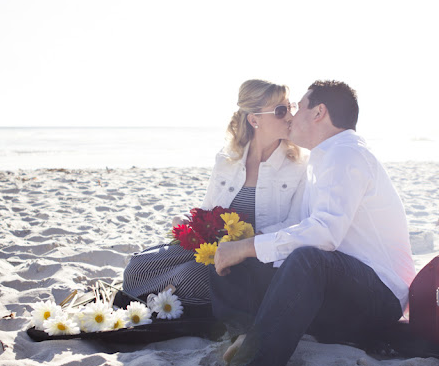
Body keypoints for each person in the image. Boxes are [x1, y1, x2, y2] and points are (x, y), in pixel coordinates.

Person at [209, 80, 416, 366]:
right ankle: (247, 333)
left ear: (319, 112)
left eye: (298, 107)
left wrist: (248, 246)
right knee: (236, 258)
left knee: (307, 258)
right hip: (338, 293)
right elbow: (299, 224)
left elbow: (324, 234)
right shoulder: (322, 157)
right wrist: (244, 245)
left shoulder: (348, 154)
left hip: (378, 298)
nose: (291, 115)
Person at [120, 79, 308, 312]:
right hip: (213, 248)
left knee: (189, 277)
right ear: (254, 119)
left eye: (290, 107)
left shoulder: (299, 165)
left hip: (255, 259)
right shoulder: (228, 159)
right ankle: (165, 299)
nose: (290, 116)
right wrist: (187, 221)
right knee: (138, 267)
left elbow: (296, 223)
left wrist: (246, 244)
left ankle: (165, 300)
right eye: (281, 111)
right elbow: (208, 210)